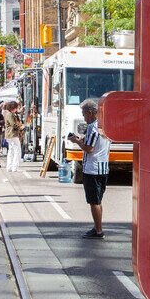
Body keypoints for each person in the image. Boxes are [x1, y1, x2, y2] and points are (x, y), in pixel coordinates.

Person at [68, 99, 109, 238]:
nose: (84, 116)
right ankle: (97, 227)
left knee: (94, 201)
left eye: (84, 113)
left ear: (91, 113)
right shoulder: (104, 125)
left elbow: (89, 148)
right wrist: (81, 138)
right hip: (103, 167)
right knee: (97, 200)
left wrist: (76, 141)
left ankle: (98, 231)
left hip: (93, 168)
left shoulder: (93, 127)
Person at [3, 101, 24, 176]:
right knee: (17, 150)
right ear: (13, 108)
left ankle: (9, 167)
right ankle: (15, 167)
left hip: (10, 135)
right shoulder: (10, 115)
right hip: (12, 134)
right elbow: (13, 124)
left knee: (11, 150)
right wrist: (21, 127)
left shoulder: (10, 114)